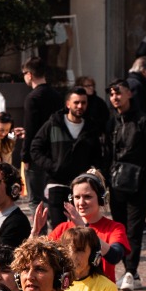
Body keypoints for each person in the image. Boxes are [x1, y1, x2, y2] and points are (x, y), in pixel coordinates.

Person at [29, 87, 108, 235]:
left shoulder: (91, 127)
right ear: (68, 104)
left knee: (80, 229)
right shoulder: (54, 124)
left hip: (81, 187)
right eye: (76, 102)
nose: (80, 106)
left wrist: (92, 172)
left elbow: (98, 156)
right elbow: (35, 148)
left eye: (83, 103)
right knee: (60, 230)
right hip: (57, 184)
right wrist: (53, 166)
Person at [103, 76, 146, 291]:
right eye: (112, 94)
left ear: (129, 94)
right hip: (116, 183)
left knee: (134, 228)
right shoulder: (112, 122)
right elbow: (106, 152)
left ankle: (131, 270)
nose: (115, 97)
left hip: (138, 182)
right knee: (119, 227)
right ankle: (128, 269)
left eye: (119, 92)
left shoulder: (143, 120)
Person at [48, 172, 128, 281]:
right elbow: (44, 256)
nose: (81, 202)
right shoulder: (63, 228)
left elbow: (114, 256)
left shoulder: (114, 228)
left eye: (87, 197)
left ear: (101, 198)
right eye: (77, 197)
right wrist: (34, 233)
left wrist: (84, 228)